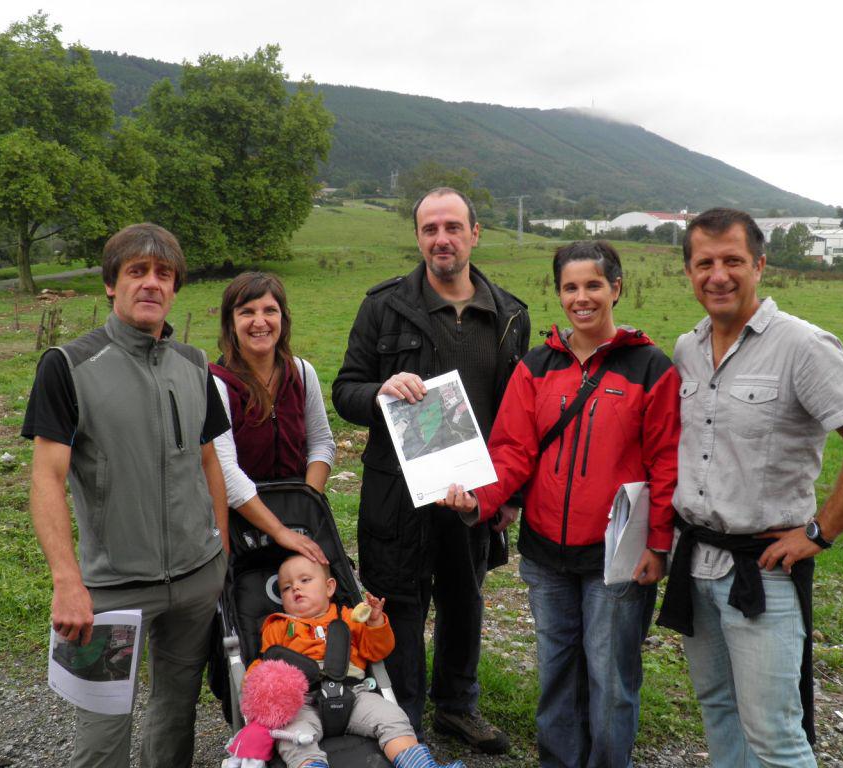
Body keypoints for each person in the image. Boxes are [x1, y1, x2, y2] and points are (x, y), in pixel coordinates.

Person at [656, 208, 843, 767]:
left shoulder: (802, 346)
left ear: (760, 266)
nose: (718, 275)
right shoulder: (687, 348)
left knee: (774, 735)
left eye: (733, 261)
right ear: (689, 272)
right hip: (694, 560)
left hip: (762, 570)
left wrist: (818, 533)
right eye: (705, 263)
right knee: (718, 708)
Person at [441, 240, 680, 768]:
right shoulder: (537, 366)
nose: (582, 297)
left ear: (616, 288)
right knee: (556, 674)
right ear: (559, 293)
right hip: (546, 554)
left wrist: (659, 544)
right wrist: (477, 498)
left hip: (615, 557)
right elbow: (512, 449)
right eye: (570, 287)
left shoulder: (651, 367)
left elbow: (666, 464)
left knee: (611, 681)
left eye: (593, 285)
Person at [22, 223, 230, 767]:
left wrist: (221, 553)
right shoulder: (67, 366)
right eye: (137, 271)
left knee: (175, 715)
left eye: (164, 273)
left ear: (176, 288)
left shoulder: (195, 365)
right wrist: (67, 582)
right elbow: (46, 479)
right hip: (111, 590)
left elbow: (208, 460)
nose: (151, 283)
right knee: (102, 736)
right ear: (111, 284)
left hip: (196, 579)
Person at [331, 187, 529, 752]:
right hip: (398, 492)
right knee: (399, 604)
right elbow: (345, 389)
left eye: (453, 227)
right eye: (430, 229)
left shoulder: (510, 315)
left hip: (472, 493)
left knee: (465, 602)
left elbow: (518, 415)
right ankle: (404, 722)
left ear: (474, 233)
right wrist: (380, 391)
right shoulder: (384, 305)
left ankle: (457, 708)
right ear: (418, 237)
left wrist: (509, 495)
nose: (442, 239)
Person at [254, 555, 465, 768]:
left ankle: (421, 766)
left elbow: (376, 652)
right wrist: (256, 690)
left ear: (329, 587)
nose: (296, 588)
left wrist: (375, 623)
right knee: (292, 737)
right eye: (286, 588)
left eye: (305, 580)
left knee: (392, 717)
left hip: (354, 693)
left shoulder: (350, 618)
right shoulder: (277, 627)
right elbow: (264, 668)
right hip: (303, 702)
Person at [209, 271, 333, 564]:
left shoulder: (302, 372)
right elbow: (224, 470)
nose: (260, 321)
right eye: (247, 312)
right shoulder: (215, 384)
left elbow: (321, 443)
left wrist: (306, 503)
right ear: (230, 323)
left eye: (269, 310)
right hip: (241, 516)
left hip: (300, 509)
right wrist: (279, 530)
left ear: (283, 319)